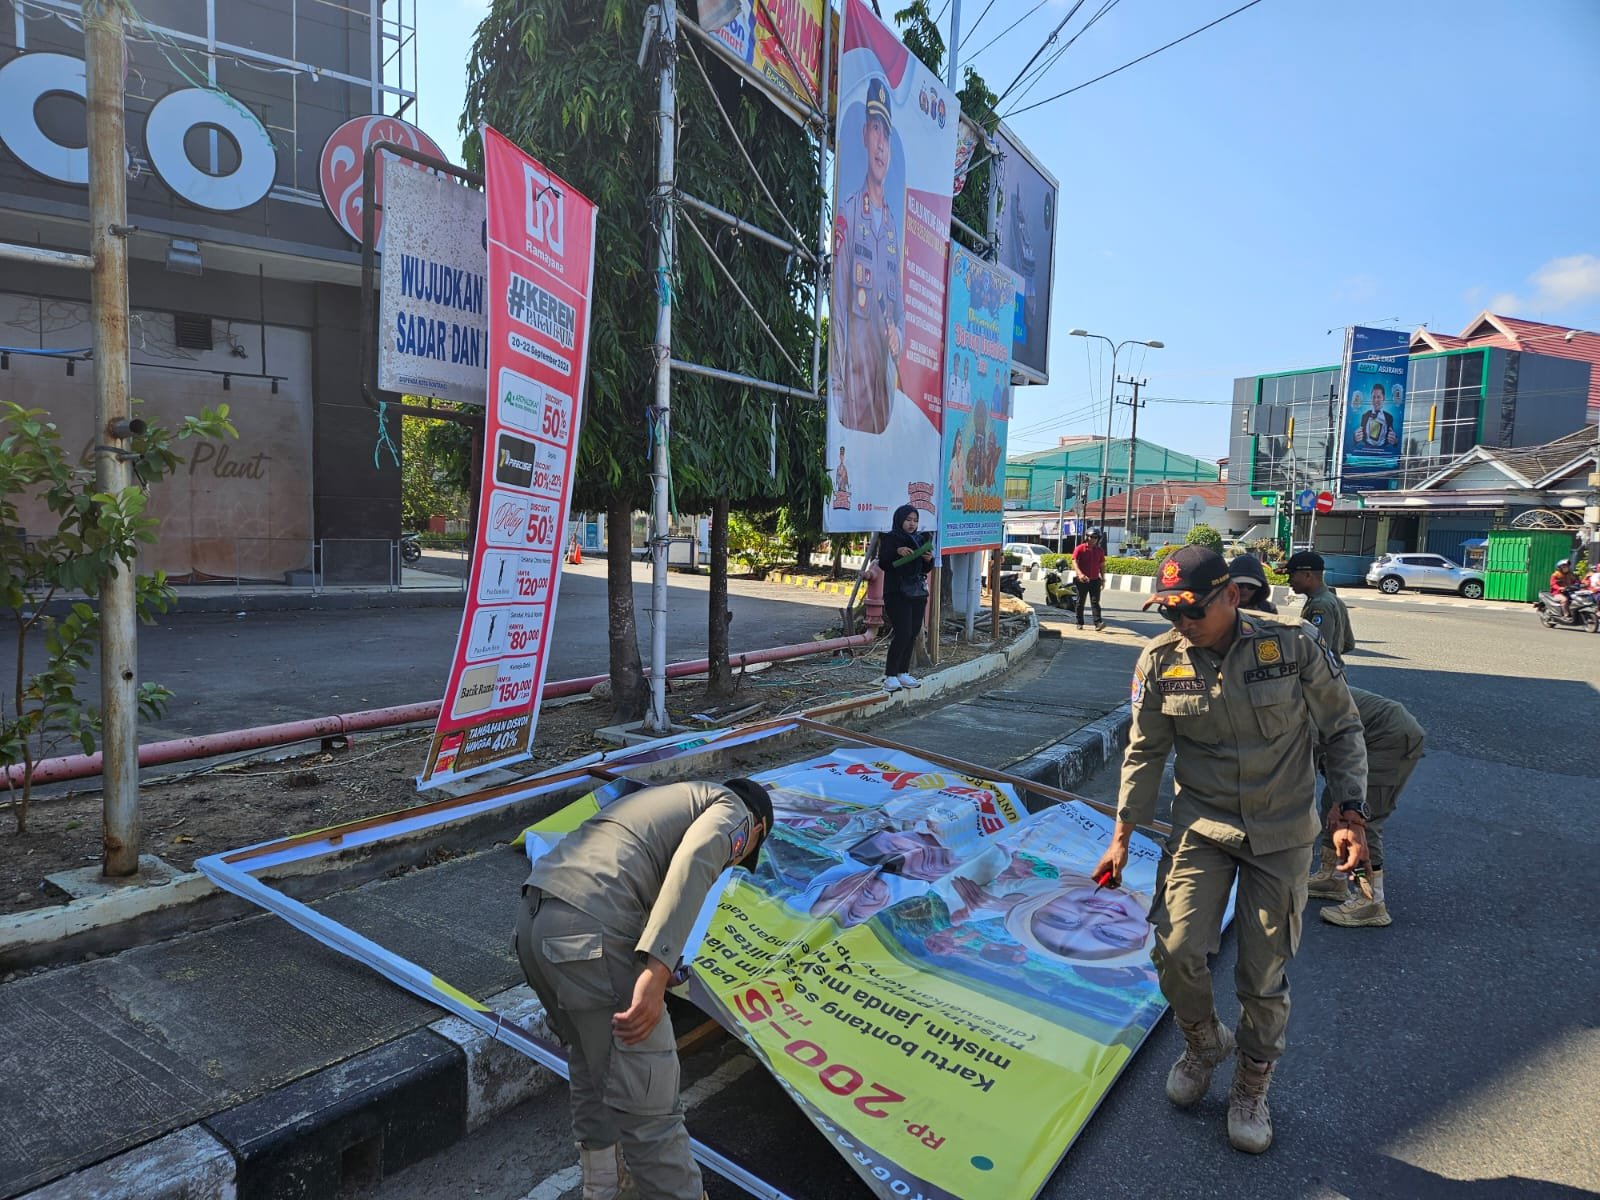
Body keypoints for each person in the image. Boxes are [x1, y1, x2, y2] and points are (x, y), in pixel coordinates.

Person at [1092, 544, 1368, 1155]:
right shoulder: (1161, 661)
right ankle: (1202, 1042)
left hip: (1283, 831)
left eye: (1192, 611)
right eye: (1169, 613)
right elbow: (1144, 752)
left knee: (1262, 971)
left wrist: (1349, 810)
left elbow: (1342, 727)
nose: (1181, 624)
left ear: (1232, 596)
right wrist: (1122, 835)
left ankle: (1251, 1083)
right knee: (1175, 948)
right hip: (1203, 827)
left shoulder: (1292, 645)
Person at [513, 778, 773, 1200]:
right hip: (589, 931)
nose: (734, 862)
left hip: (533, 925)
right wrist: (655, 971)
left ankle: (605, 1188)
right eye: (743, 856)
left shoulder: (663, 801)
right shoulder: (734, 811)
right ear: (756, 829)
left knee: (592, 1061)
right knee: (651, 1107)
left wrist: (650, 962)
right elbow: (698, 857)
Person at [1308, 686, 1425, 928]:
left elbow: (1299, 767)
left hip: (1387, 739)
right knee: (1331, 804)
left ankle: (1370, 900)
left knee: (1358, 819)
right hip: (1357, 738)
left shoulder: (1291, 702)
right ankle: (1333, 877)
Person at [829, 76, 903, 436]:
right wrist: (838, 391)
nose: (881, 144)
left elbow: (900, 317)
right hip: (852, 409)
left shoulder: (892, 231)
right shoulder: (849, 215)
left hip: (882, 410)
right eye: (876, 129)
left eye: (886, 135)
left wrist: (898, 338)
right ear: (864, 134)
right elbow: (839, 311)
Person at [877, 504, 933, 692]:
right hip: (896, 592)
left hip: (917, 592)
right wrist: (897, 552)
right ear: (900, 520)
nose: (912, 524)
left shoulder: (919, 539)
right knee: (902, 632)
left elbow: (924, 569)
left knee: (913, 633)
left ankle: (903, 672)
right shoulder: (891, 538)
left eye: (915, 520)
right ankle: (890, 675)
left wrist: (928, 559)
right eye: (908, 520)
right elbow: (884, 562)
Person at [1286, 550, 1354, 657]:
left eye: (1291, 575)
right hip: (1331, 670)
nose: (1289, 581)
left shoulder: (1320, 604)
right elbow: (1348, 644)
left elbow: (1318, 648)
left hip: (1320, 672)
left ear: (1308, 575)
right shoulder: (1334, 599)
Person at [1071, 530, 1107, 631]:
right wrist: (1080, 574)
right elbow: (1074, 562)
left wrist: (1103, 578)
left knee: (1095, 602)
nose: (1093, 539)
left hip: (1095, 580)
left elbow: (1102, 565)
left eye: (1095, 537)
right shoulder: (1080, 548)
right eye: (1091, 537)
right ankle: (1079, 622)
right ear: (1087, 537)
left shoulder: (1099, 551)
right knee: (1080, 602)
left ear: (1098, 539)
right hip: (1082, 580)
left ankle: (1098, 623)